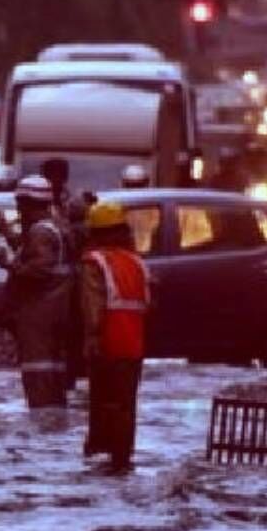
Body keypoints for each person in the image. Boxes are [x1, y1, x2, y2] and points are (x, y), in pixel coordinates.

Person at [0, 176, 73, 409]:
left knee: (39, 371)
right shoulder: (54, 227)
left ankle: (42, 421)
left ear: (30, 203)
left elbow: (38, 270)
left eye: (20, 203)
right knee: (53, 371)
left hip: (40, 315)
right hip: (54, 311)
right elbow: (35, 254)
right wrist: (7, 233)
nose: (18, 209)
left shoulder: (41, 232)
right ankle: (52, 418)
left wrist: (6, 262)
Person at [79, 202, 150, 472]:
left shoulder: (94, 262)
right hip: (133, 343)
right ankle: (122, 458)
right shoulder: (136, 263)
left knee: (103, 401)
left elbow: (92, 307)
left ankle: (104, 457)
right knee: (125, 404)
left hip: (107, 342)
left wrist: (92, 339)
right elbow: (149, 305)